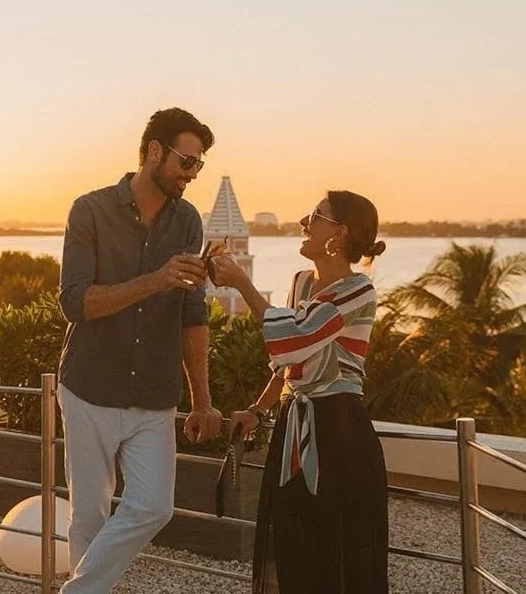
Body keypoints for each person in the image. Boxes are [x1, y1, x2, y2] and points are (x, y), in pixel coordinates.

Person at [57, 107, 223, 593]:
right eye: (187, 162)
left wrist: (203, 399)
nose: (192, 174)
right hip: (89, 387)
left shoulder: (188, 220)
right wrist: (155, 280)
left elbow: (193, 313)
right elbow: (75, 303)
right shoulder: (89, 210)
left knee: (153, 506)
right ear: (154, 152)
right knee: (87, 516)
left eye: (198, 166)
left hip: (154, 393)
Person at [209, 190, 389, 594]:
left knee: (336, 550)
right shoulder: (301, 282)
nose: (304, 222)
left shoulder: (358, 291)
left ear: (338, 234)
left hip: (340, 433)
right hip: (295, 426)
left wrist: (241, 283)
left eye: (315, 215)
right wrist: (257, 409)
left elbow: (294, 338)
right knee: (292, 545)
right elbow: (288, 364)